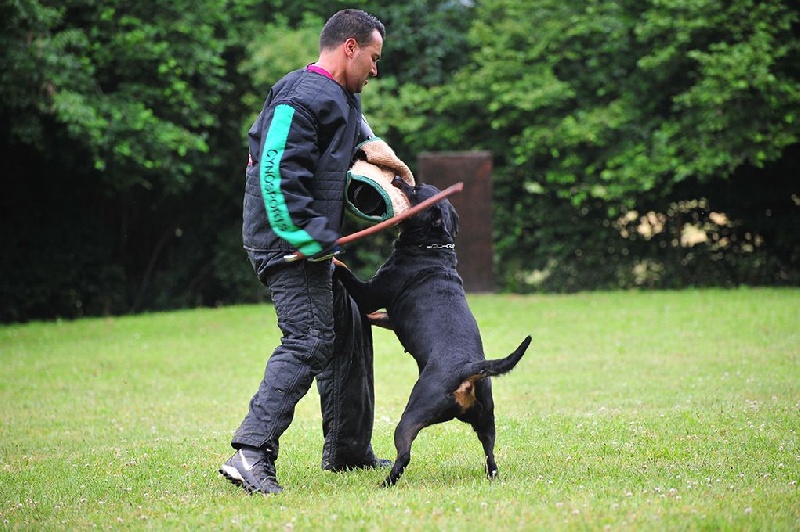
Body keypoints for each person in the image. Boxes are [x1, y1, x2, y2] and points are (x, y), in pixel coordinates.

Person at [220, 9, 396, 495]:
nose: (375, 71)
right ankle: (250, 454)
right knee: (309, 340)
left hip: (310, 245)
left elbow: (356, 143)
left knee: (350, 321)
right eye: (374, 59)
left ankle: (348, 450)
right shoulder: (301, 95)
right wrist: (305, 240)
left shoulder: (340, 98)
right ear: (350, 48)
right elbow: (274, 174)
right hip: (286, 244)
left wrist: (383, 157)